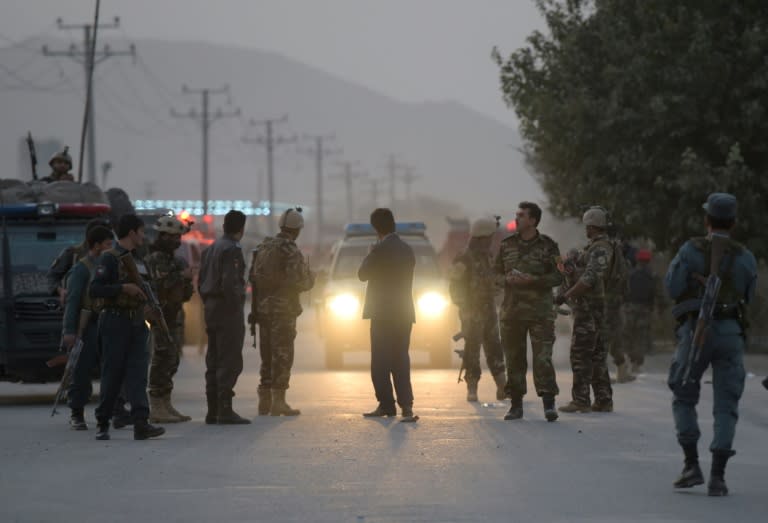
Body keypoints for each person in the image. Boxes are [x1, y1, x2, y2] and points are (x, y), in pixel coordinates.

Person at [666, 193, 756, 497]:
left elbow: (672, 287)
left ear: (707, 220)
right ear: (733, 222)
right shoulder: (745, 256)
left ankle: (691, 465)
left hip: (697, 331)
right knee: (726, 403)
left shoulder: (691, 250)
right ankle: (718, 476)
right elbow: (749, 295)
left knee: (683, 393)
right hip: (731, 333)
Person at [90, 214, 165, 441]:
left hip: (137, 322)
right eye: (141, 231)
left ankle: (141, 422)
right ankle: (103, 421)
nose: (144, 236)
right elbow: (96, 289)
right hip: (115, 322)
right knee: (112, 374)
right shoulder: (109, 259)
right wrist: (124, 288)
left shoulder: (138, 259)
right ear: (132, 232)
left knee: (138, 373)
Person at [495, 202, 562, 421]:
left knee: (543, 359)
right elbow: (493, 275)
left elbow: (559, 276)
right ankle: (516, 405)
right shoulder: (506, 245)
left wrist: (534, 280)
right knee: (514, 359)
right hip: (512, 313)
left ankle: (549, 403)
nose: (517, 219)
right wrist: (507, 279)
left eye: (522, 216)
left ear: (533, 220)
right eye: (517, 215)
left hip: (540, 314)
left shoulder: (549, 246)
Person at [250, 208, 314, 416]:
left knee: (266, 353)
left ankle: (264, 400)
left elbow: (253, 278)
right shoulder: (290, 250)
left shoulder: (264, 246)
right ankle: (279, 401)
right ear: (297, 230)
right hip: (283, 310)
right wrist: (311, 279)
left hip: (263, 309)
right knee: (283, 354)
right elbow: (299, 282)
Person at [359, 208, 417, 421]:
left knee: (381, 361)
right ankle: (407, 406)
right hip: (403, 312)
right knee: (401, 358)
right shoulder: (407, 249)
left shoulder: (379, 250)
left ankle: (386, 405)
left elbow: (362, 274)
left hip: (382, 313)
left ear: (376, 228)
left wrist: (371, 253)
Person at [555, 207, 614, 413]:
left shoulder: (601, 248)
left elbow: (590, 279)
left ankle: (581, 400)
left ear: (592, 225)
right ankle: (603, 400)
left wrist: (566, 294)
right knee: (597, 355)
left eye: (587, 226)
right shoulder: (594, 248)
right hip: (593, 309)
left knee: (580, 354)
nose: (585, 230)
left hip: (589, 310)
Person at [198, 210, 249, 424]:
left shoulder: (211, 248)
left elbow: (201, 280)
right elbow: (229, 282)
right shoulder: (232, 249)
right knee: (230, 358)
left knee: (214, 358)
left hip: (211, 306)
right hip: (227, 308)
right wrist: (235, 304)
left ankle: (213, 410)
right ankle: (225, 409)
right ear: (241, 228)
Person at [448, 216, 506, 402]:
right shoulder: (464, 258)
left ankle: (502, 386)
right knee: (472, 350)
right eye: (489, 237)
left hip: (488, 310)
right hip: (471, 312)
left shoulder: (488, 256)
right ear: (481, 237)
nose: (491, 241)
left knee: (494, 348)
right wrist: (464, 308)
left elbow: (493, 280)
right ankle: (472, 388)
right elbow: (455, 286)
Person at [62, 225, 114, 430]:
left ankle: (111, 412)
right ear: (97, 245)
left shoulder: (108, 265)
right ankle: (77, 412)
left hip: (106, 322)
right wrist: (69, 331)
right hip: (87, 324)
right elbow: (73, 301)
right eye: (108, 244)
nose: (111, 248)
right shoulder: (82, 268)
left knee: (111, 370)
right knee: (81, 371)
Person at [146, 216, 194, 423]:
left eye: (178, 237)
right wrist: (181, 276)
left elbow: (183, 292)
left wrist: (186, 282)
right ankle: (156, 404)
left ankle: (165, 402)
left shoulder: (174, 260)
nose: (177, 241)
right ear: (163, 236)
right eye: (173, 237)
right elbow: (160, 285)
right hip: (160, 315)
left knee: (172, 360)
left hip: (174, 314)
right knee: (161, 358)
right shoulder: (155, 258)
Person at [47, 217, 111, 303]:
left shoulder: (109, 256)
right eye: (106, 241)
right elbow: (52, 276)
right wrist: (60, 290)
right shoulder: (73, 254)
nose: (109, 245)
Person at [623, 249, 661, 374]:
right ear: (648, 261)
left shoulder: (630, 274)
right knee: (640, 337)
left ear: (638, 260)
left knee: (629, 335)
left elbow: (624, 291)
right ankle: (636, 364)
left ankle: (629, 360)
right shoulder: (652, 276)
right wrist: (656, 310)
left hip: (630, 309)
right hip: (645, 310)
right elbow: (657, 294)